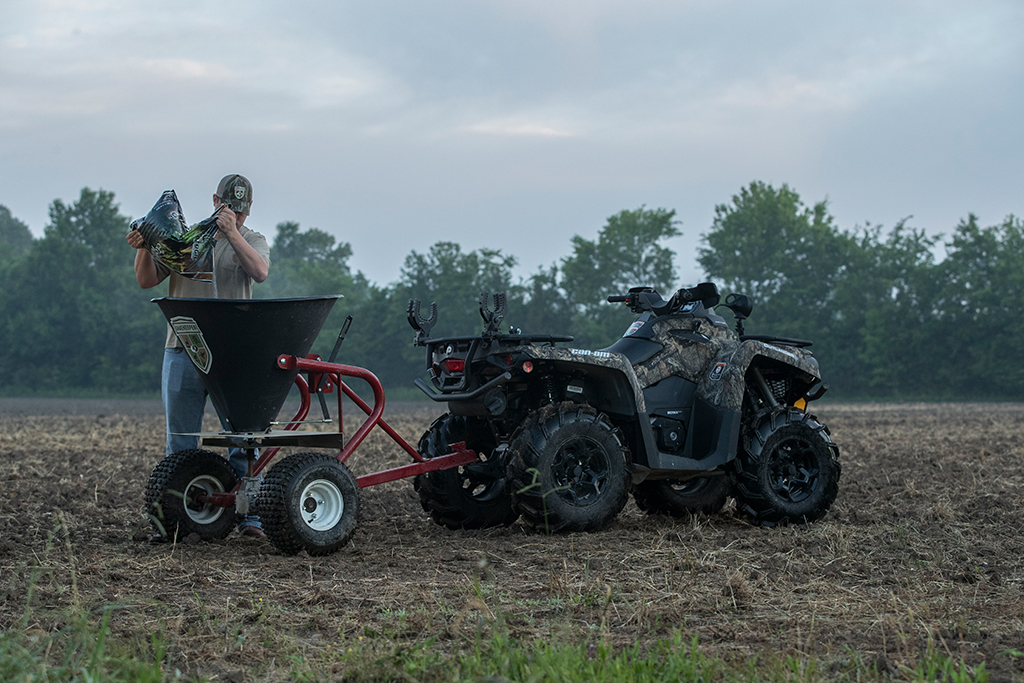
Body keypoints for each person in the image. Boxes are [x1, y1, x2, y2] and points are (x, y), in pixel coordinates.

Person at [127, 174, 271, 539]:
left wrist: (233, 233)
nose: (233, 215)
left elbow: (260, 272)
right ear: (214, 200)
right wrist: (145, 243)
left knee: (242, 437)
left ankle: (248, 516)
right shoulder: (185, 241)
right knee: (180, 439)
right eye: (227, 208)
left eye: (240, 210)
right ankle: (174, 519)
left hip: (232, 354)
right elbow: (146, 280)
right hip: (183, 349)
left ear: (248, 209)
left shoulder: (252, 239)